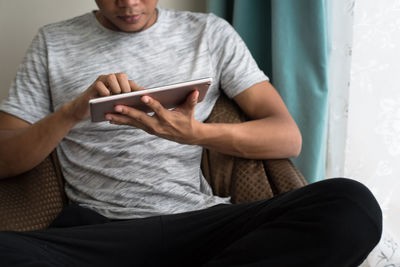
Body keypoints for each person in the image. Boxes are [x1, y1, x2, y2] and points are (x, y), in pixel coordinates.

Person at [0, 0, 382, 266]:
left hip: (199, 225)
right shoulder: (52, 42)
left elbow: (287, 137)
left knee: (352, 205)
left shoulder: (209, 33)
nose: (129, 4)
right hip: (102, 235)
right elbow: (5, 159)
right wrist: (71, 112)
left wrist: (195, 133)